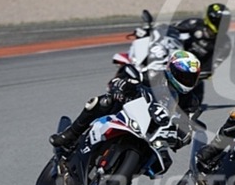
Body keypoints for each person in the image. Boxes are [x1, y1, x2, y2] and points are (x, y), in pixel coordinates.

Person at [49, 50, 202, 155]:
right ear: (171, 70)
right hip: (134, 110)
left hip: (155, 132)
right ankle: (70, 134)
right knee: (101, 102)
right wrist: (120, 87)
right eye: (183, 76)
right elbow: (130, 80)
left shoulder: (191, 101)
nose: (187, 80)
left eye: (191, 78)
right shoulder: (155, 75)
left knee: (164, 162)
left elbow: (188, 125)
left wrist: (182, 138)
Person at [169, 3, 232, 102]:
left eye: (225, 21)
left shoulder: (224, 43)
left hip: (190, 75)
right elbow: (171, 30)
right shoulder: (194, 24)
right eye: (221, 21)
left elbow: (210, 68)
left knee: (192, 103)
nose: (223, 24)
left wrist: (192, 73)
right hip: (171, 60)